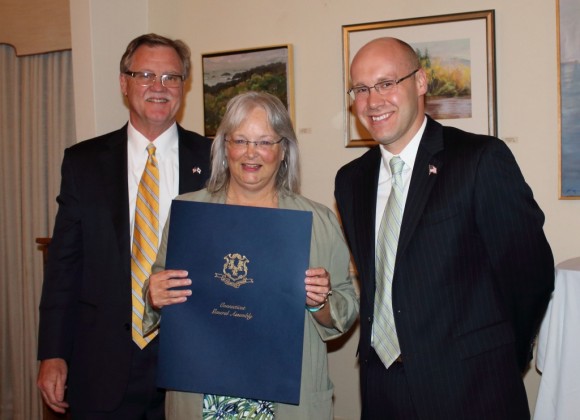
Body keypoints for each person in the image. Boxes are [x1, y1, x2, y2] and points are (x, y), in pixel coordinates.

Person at [334, 37, 554, 420]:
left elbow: (529, 274)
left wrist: (500, 354)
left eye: (387, 83)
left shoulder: (479, 160)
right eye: (361, 88)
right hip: (382, 388)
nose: (373, 100)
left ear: (420, 82)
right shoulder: (350, 180)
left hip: (471, 389)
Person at [143, 91, 359, 419]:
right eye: (240, 140)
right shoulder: (190, 212)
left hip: (284, 401)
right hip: (202, 396)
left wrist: (320, 301)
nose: (250, 153)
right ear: (223, 146)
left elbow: (345, 308)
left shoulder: (317, 221)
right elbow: (158, 288)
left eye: (264, 142)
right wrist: (154, 294)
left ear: (283, 150)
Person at [37, 33, 212, 419]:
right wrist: (52, 352)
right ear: (123, 82)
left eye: (171, 77)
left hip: (192, 359)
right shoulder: (83, 163)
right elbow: (64, 265)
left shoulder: (215, 160)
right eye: (145, 74)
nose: (159, 87)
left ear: (184, 86)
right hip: (102, 361)